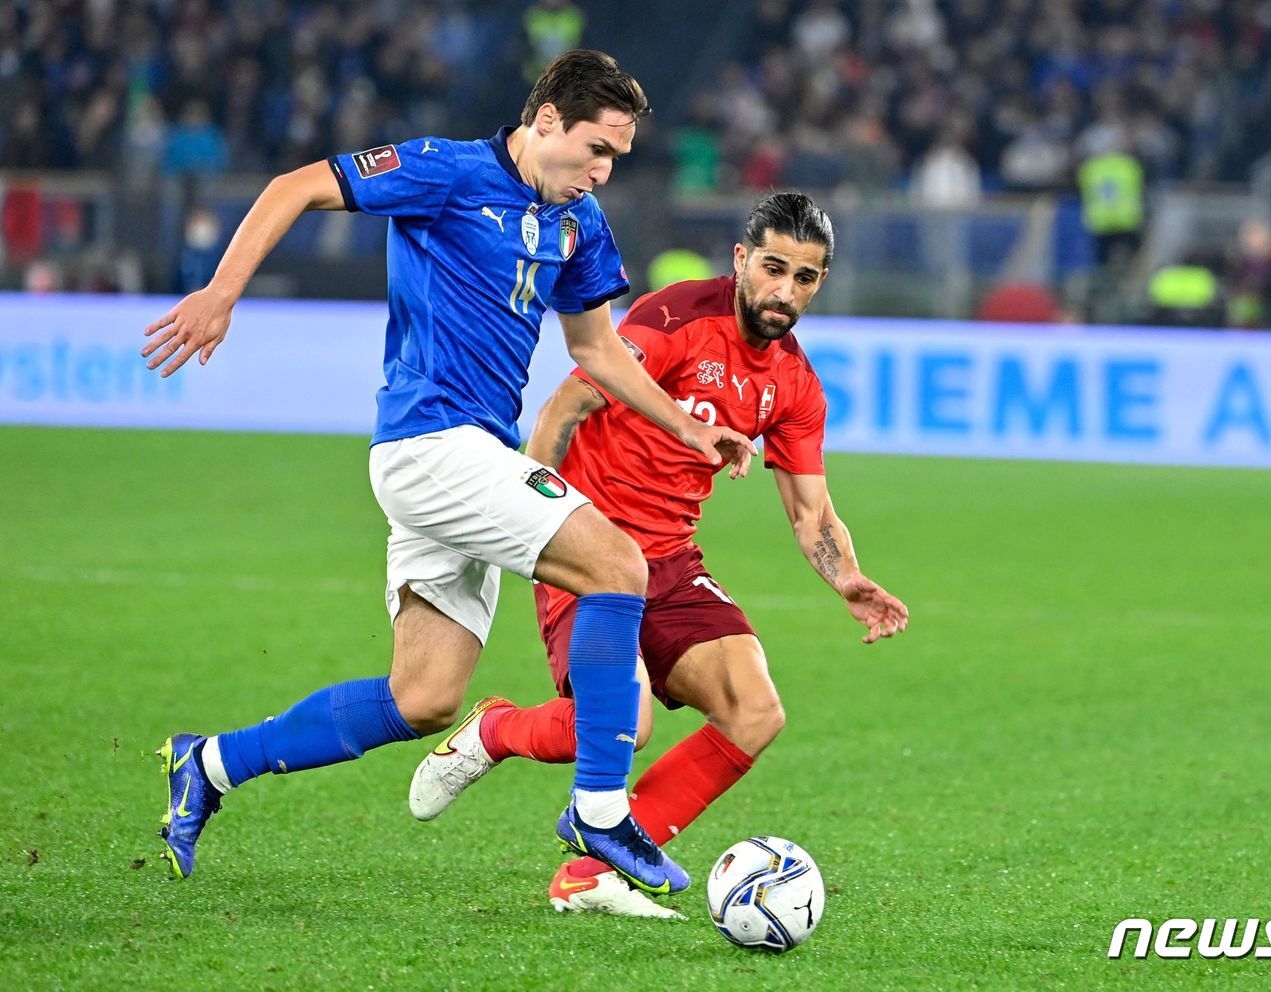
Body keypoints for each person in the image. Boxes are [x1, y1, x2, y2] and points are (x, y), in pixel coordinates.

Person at [141, 50, 755, 894]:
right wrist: (220, 292)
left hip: (476, 459)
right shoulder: (444, 171)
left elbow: (596, 349)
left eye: (617, 158)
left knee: (423, 696)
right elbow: (294, 186)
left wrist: (690, 427)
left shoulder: (580, 222)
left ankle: (207, 765)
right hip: (431, 445)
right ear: (546, 122)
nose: (603, 172)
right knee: (620, 564)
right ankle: (601, 809)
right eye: (596, 150)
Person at [408, 192, 910, 917]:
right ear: (741, 260)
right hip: (584, 546)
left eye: (804, 277)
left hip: (670, 560)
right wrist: (526, 516)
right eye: (773, 268)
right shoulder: (676, 318)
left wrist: (849, 578)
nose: (784, 291)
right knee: (629, 725)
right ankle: (495, 730)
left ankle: (591, 872)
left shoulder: (794, 384)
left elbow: (811, 510)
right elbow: (565, 407)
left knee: (755, 711)